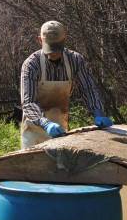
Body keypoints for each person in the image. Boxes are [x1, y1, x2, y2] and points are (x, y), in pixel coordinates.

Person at [20, 20, 113, 149]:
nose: (53, 53)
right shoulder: (31, 65)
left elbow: (88, 89)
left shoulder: (75, 60)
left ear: (65, 39)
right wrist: (46, 124)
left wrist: (97, 111)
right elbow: (28, 102)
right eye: (50, 48)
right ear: (40, 40)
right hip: (33, 132)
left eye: (57, 48)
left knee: (60, 167)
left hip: (61, 129)